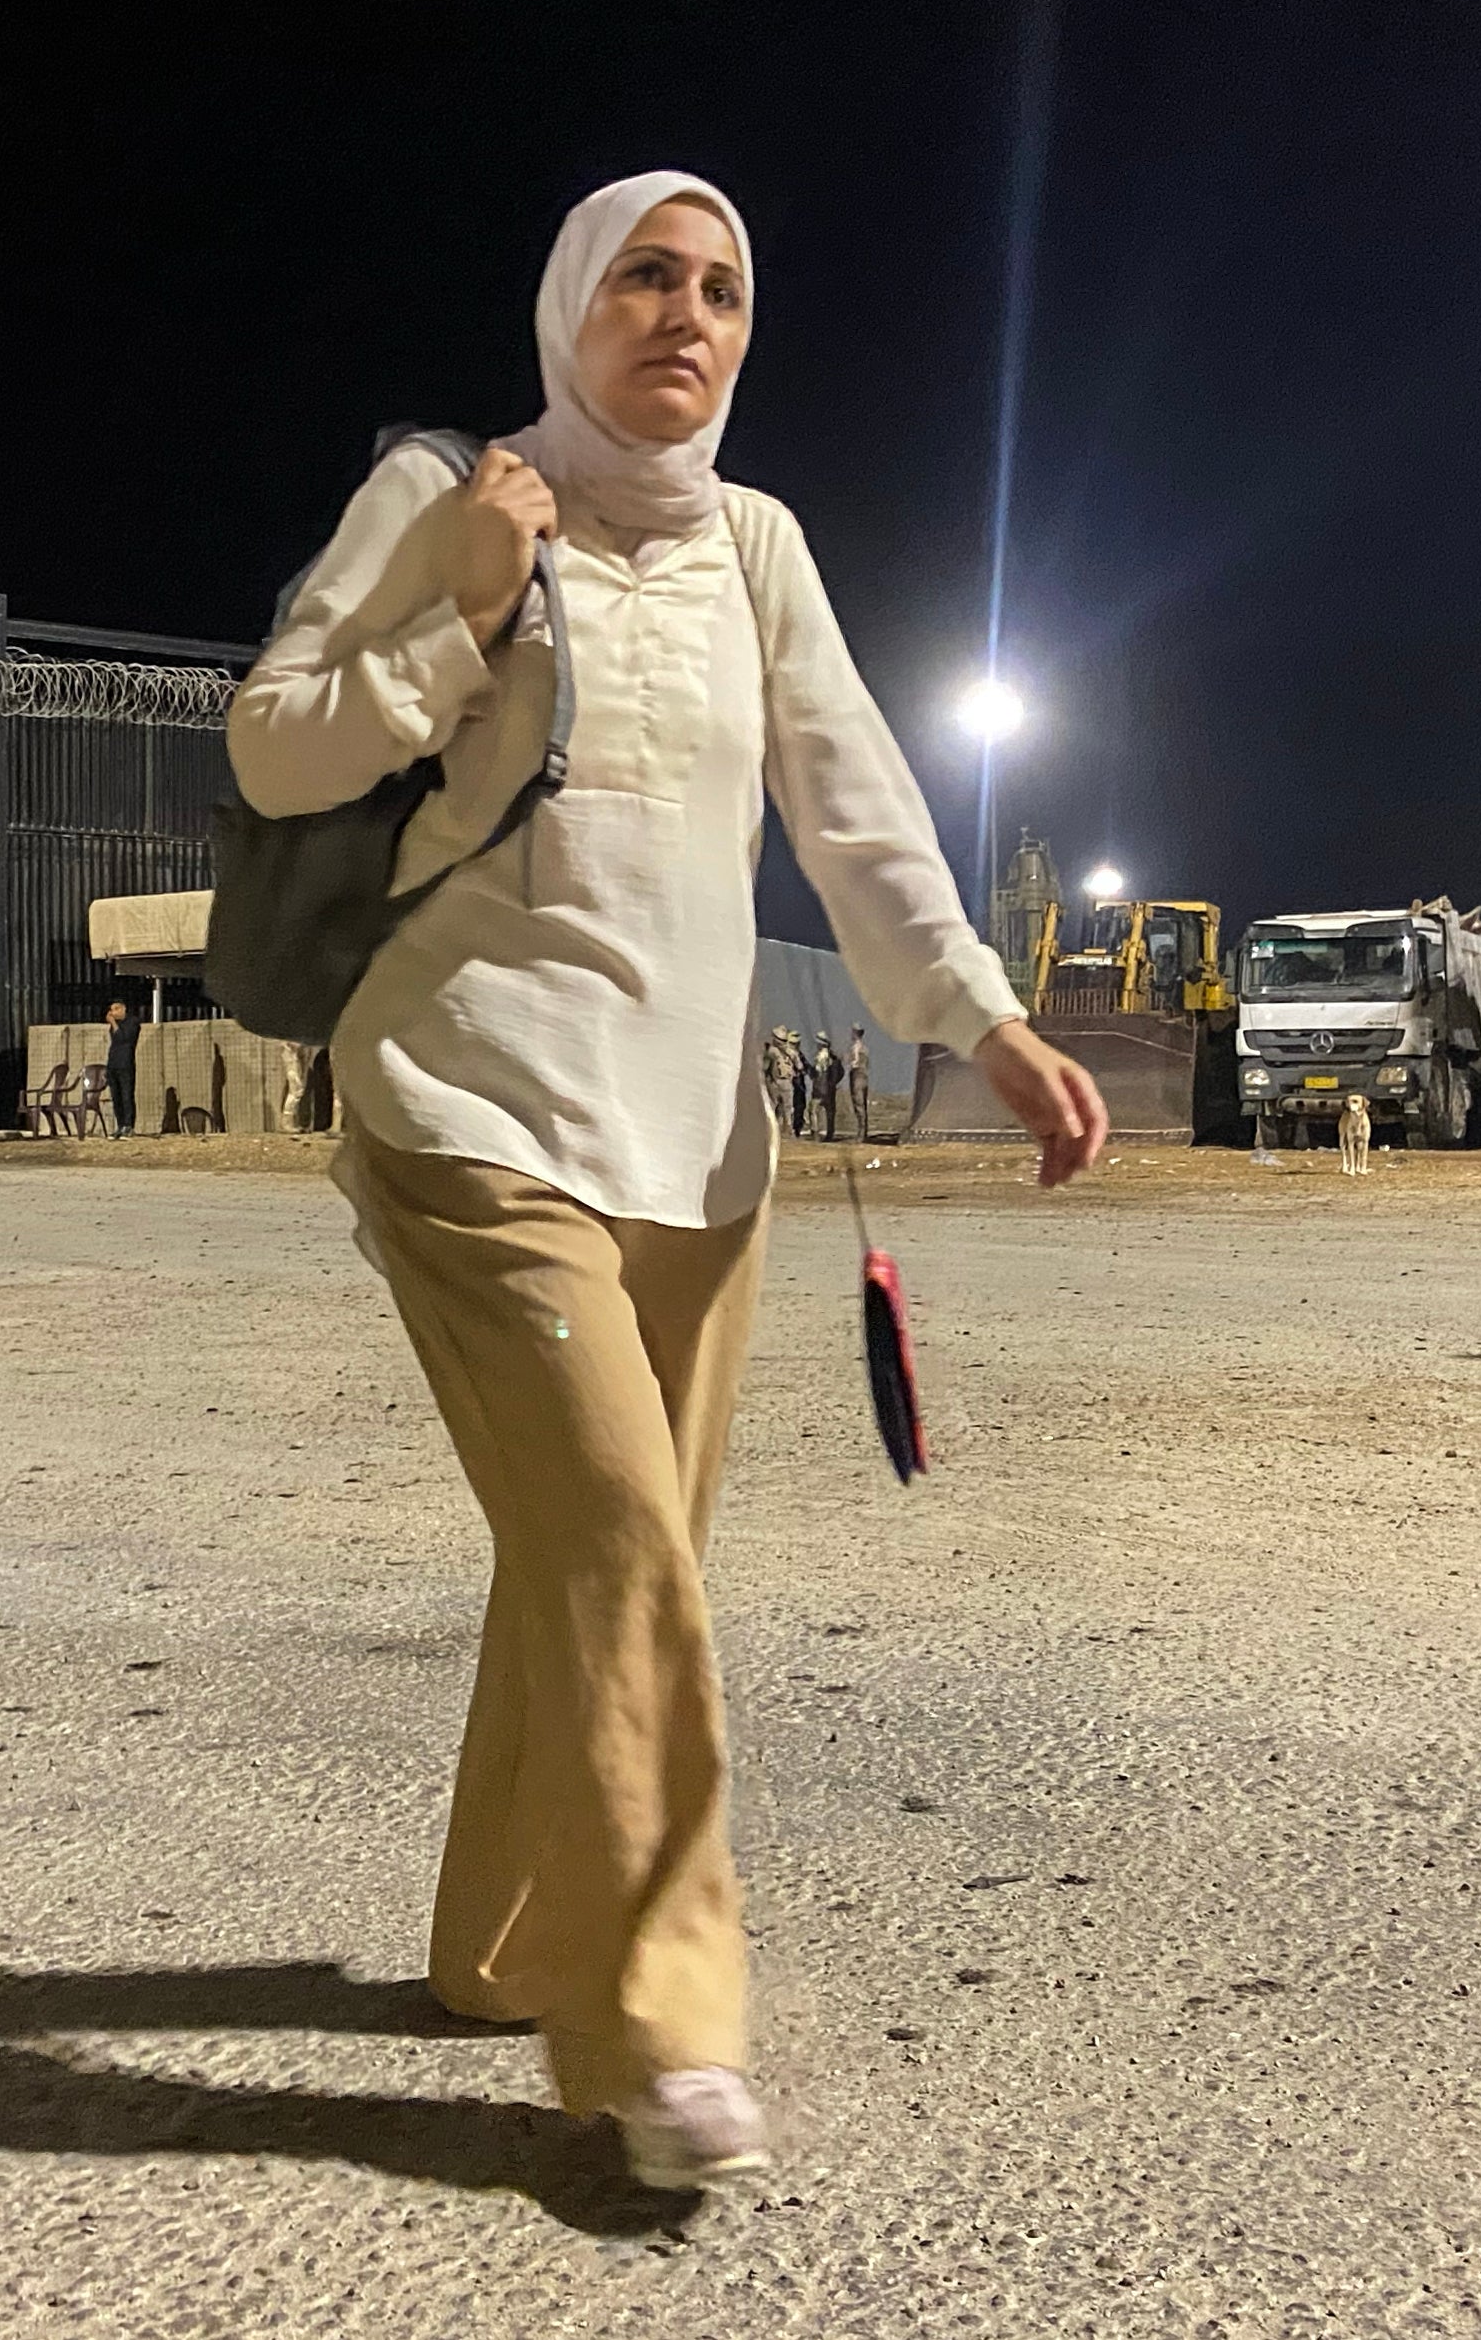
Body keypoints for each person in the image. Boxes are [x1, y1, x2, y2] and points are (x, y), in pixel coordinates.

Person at [228, 173, 1109, 2190]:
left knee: (605, 1557)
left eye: (718, 286)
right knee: (617, 1538)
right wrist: (455, 604)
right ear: (568, 305)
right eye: (644, 274)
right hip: (466, 1107)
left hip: (695, 1145)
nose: (683, 313)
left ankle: (499, 1947)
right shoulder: (451, 490)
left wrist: (980, 1017)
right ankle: (660, 2031)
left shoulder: (757, 543)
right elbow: (278, 750)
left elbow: (852, 799)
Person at [104, 996, 141, 1137]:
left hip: (125, 1065)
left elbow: (123, 1038)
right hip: (113, 1064)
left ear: (124, 1008)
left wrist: (113, 1023)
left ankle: (129, 1125)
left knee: (126, 1096)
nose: (113, 1012)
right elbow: (114, 1044)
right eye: (111, 1010)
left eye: (116, 1008)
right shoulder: (114, 1026)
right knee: (116, 1097)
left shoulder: (133, 1022)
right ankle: (120, 1125)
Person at [810, 1027, 847, 1141]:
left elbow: (817, 1071)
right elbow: (840, 1072)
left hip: (820, 1088)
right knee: (830, 1112)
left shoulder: (820, 1056)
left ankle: (815, 1132)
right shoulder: (833, 1058)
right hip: (831, 1088)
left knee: (812, 1109)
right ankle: (830, 1133)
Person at [845, 1025, 874, 1142]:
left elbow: (855, 1062)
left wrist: (848, 1062)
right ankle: (863, 1132)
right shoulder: (865, 1048)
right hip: (864, 1076)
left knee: (858, 1104)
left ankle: (861, 1134)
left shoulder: (855, 1047)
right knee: (863, 1105)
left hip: (857, 1074)